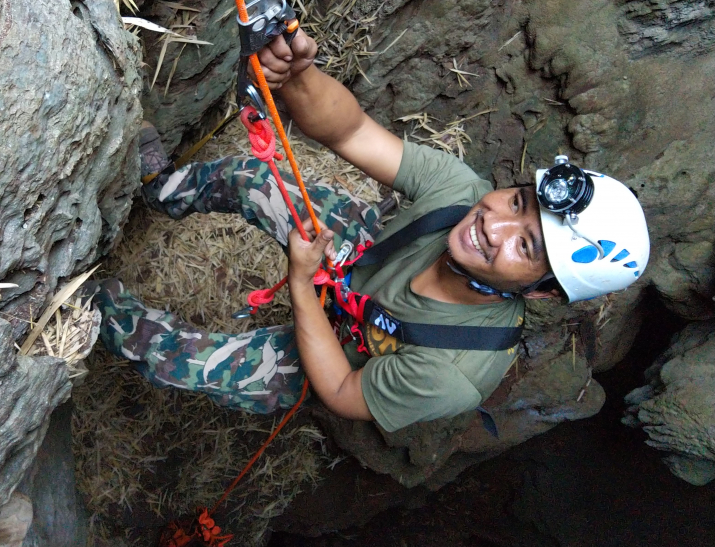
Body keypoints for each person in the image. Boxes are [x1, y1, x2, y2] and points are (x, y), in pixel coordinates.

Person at [93, 30, 650, 433]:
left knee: (180, 359)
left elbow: (340, 391)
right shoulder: (459, 194)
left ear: (544, 291)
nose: (491, 224)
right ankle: (162, 189)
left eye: (525, 245)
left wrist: (302, 287)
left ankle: (89, 309)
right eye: (518, 201)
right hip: (363, 255)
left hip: (344, 354)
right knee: (253, 177)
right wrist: (297, 76)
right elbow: (353, 131)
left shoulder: (455, 372)